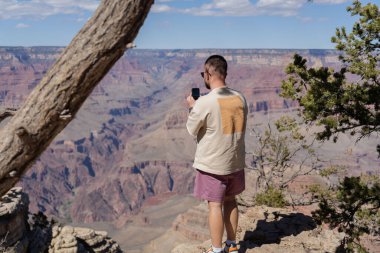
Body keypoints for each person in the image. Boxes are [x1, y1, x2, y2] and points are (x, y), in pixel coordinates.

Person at [186, 55, 248, 253]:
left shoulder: (205, 102)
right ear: (225, 73)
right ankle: (231, 245)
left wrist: (192, 108)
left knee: (215, 206)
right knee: (231, 201)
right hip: (235, 162)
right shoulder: (240, 98)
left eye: (204, 73)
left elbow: (191, 129)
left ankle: (216, 249)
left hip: (213, 165)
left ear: (208, 73)